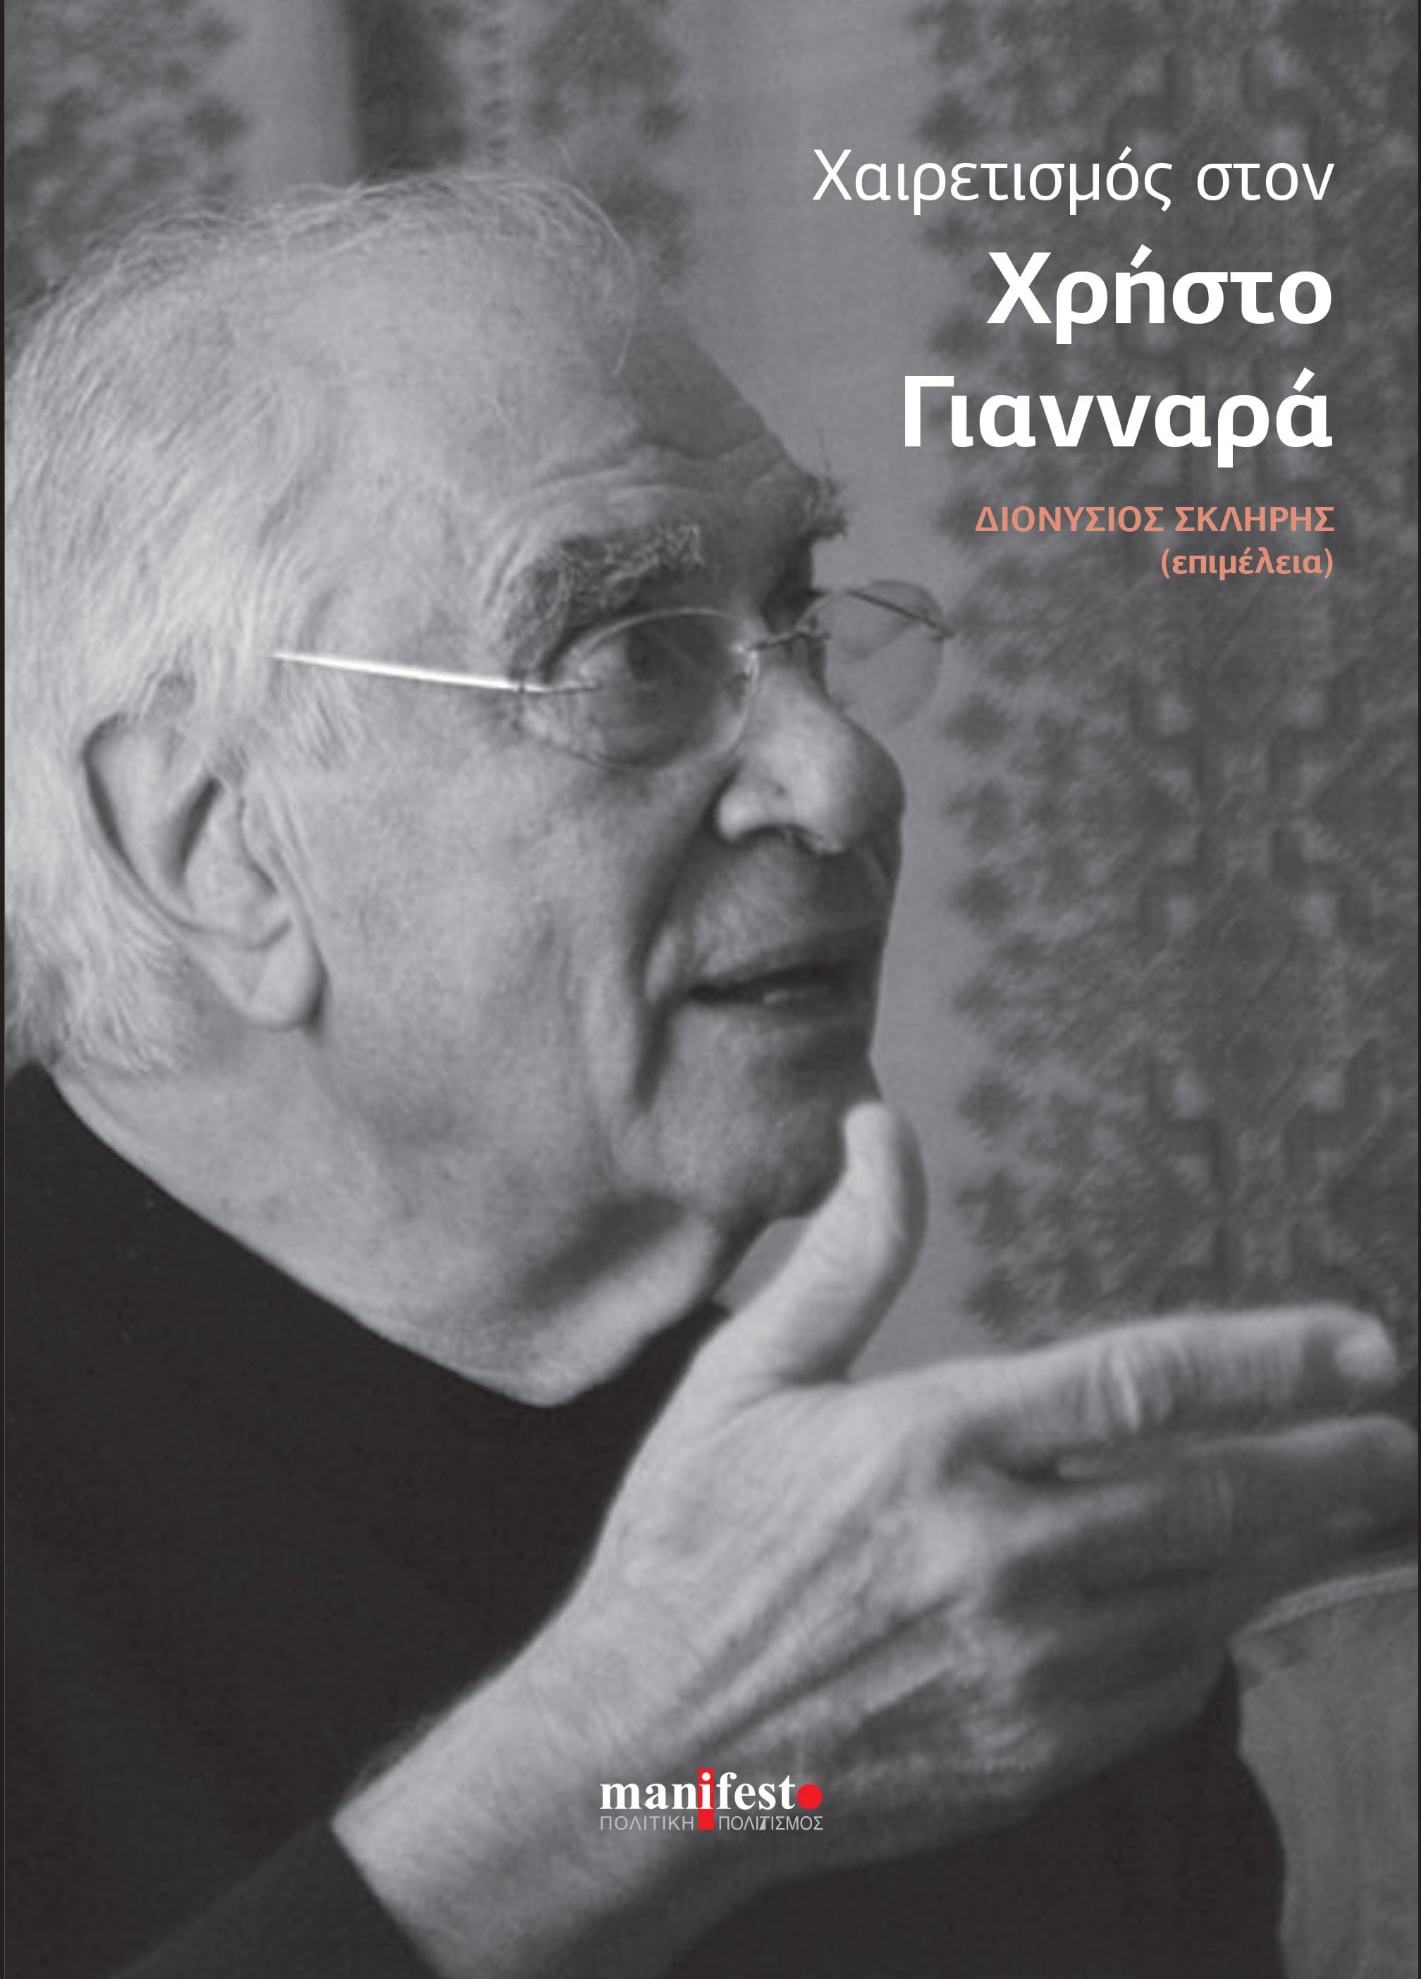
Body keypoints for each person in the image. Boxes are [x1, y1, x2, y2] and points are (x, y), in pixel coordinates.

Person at [5, 172, 1414, 1979]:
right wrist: (613, 1794)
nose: (842, 779)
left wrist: (701, 1782)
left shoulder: (969, 1616)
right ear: (214, 846)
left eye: (797, 614)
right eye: (622, 653)